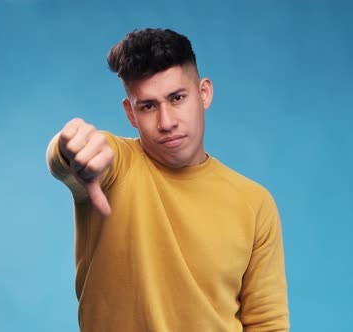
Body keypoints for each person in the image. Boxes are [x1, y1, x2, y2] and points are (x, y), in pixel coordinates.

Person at [46, 28, 289, 332]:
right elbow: (69, 159)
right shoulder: (115, 167)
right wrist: (69, 149)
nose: (166, 122)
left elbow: (267, 323)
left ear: (204, 94)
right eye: (148, 106)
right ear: (130, 114)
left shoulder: (255, 203)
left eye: (177, 98)